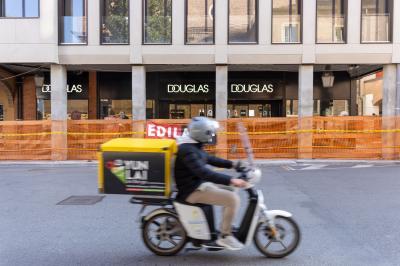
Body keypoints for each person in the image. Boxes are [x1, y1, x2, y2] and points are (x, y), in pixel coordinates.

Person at [174, 117, 248, 250]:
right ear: (202, 133)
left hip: (197, 184)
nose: (212, 134)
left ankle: (225, 226)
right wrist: (231, 180)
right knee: (233, 200)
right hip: (191, 191)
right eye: (210, 132)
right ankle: (225, 236)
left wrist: (233, 164)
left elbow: (210, 159)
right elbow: (205, 173)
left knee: (231, 190)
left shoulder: (194, 145)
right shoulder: (187, 150)